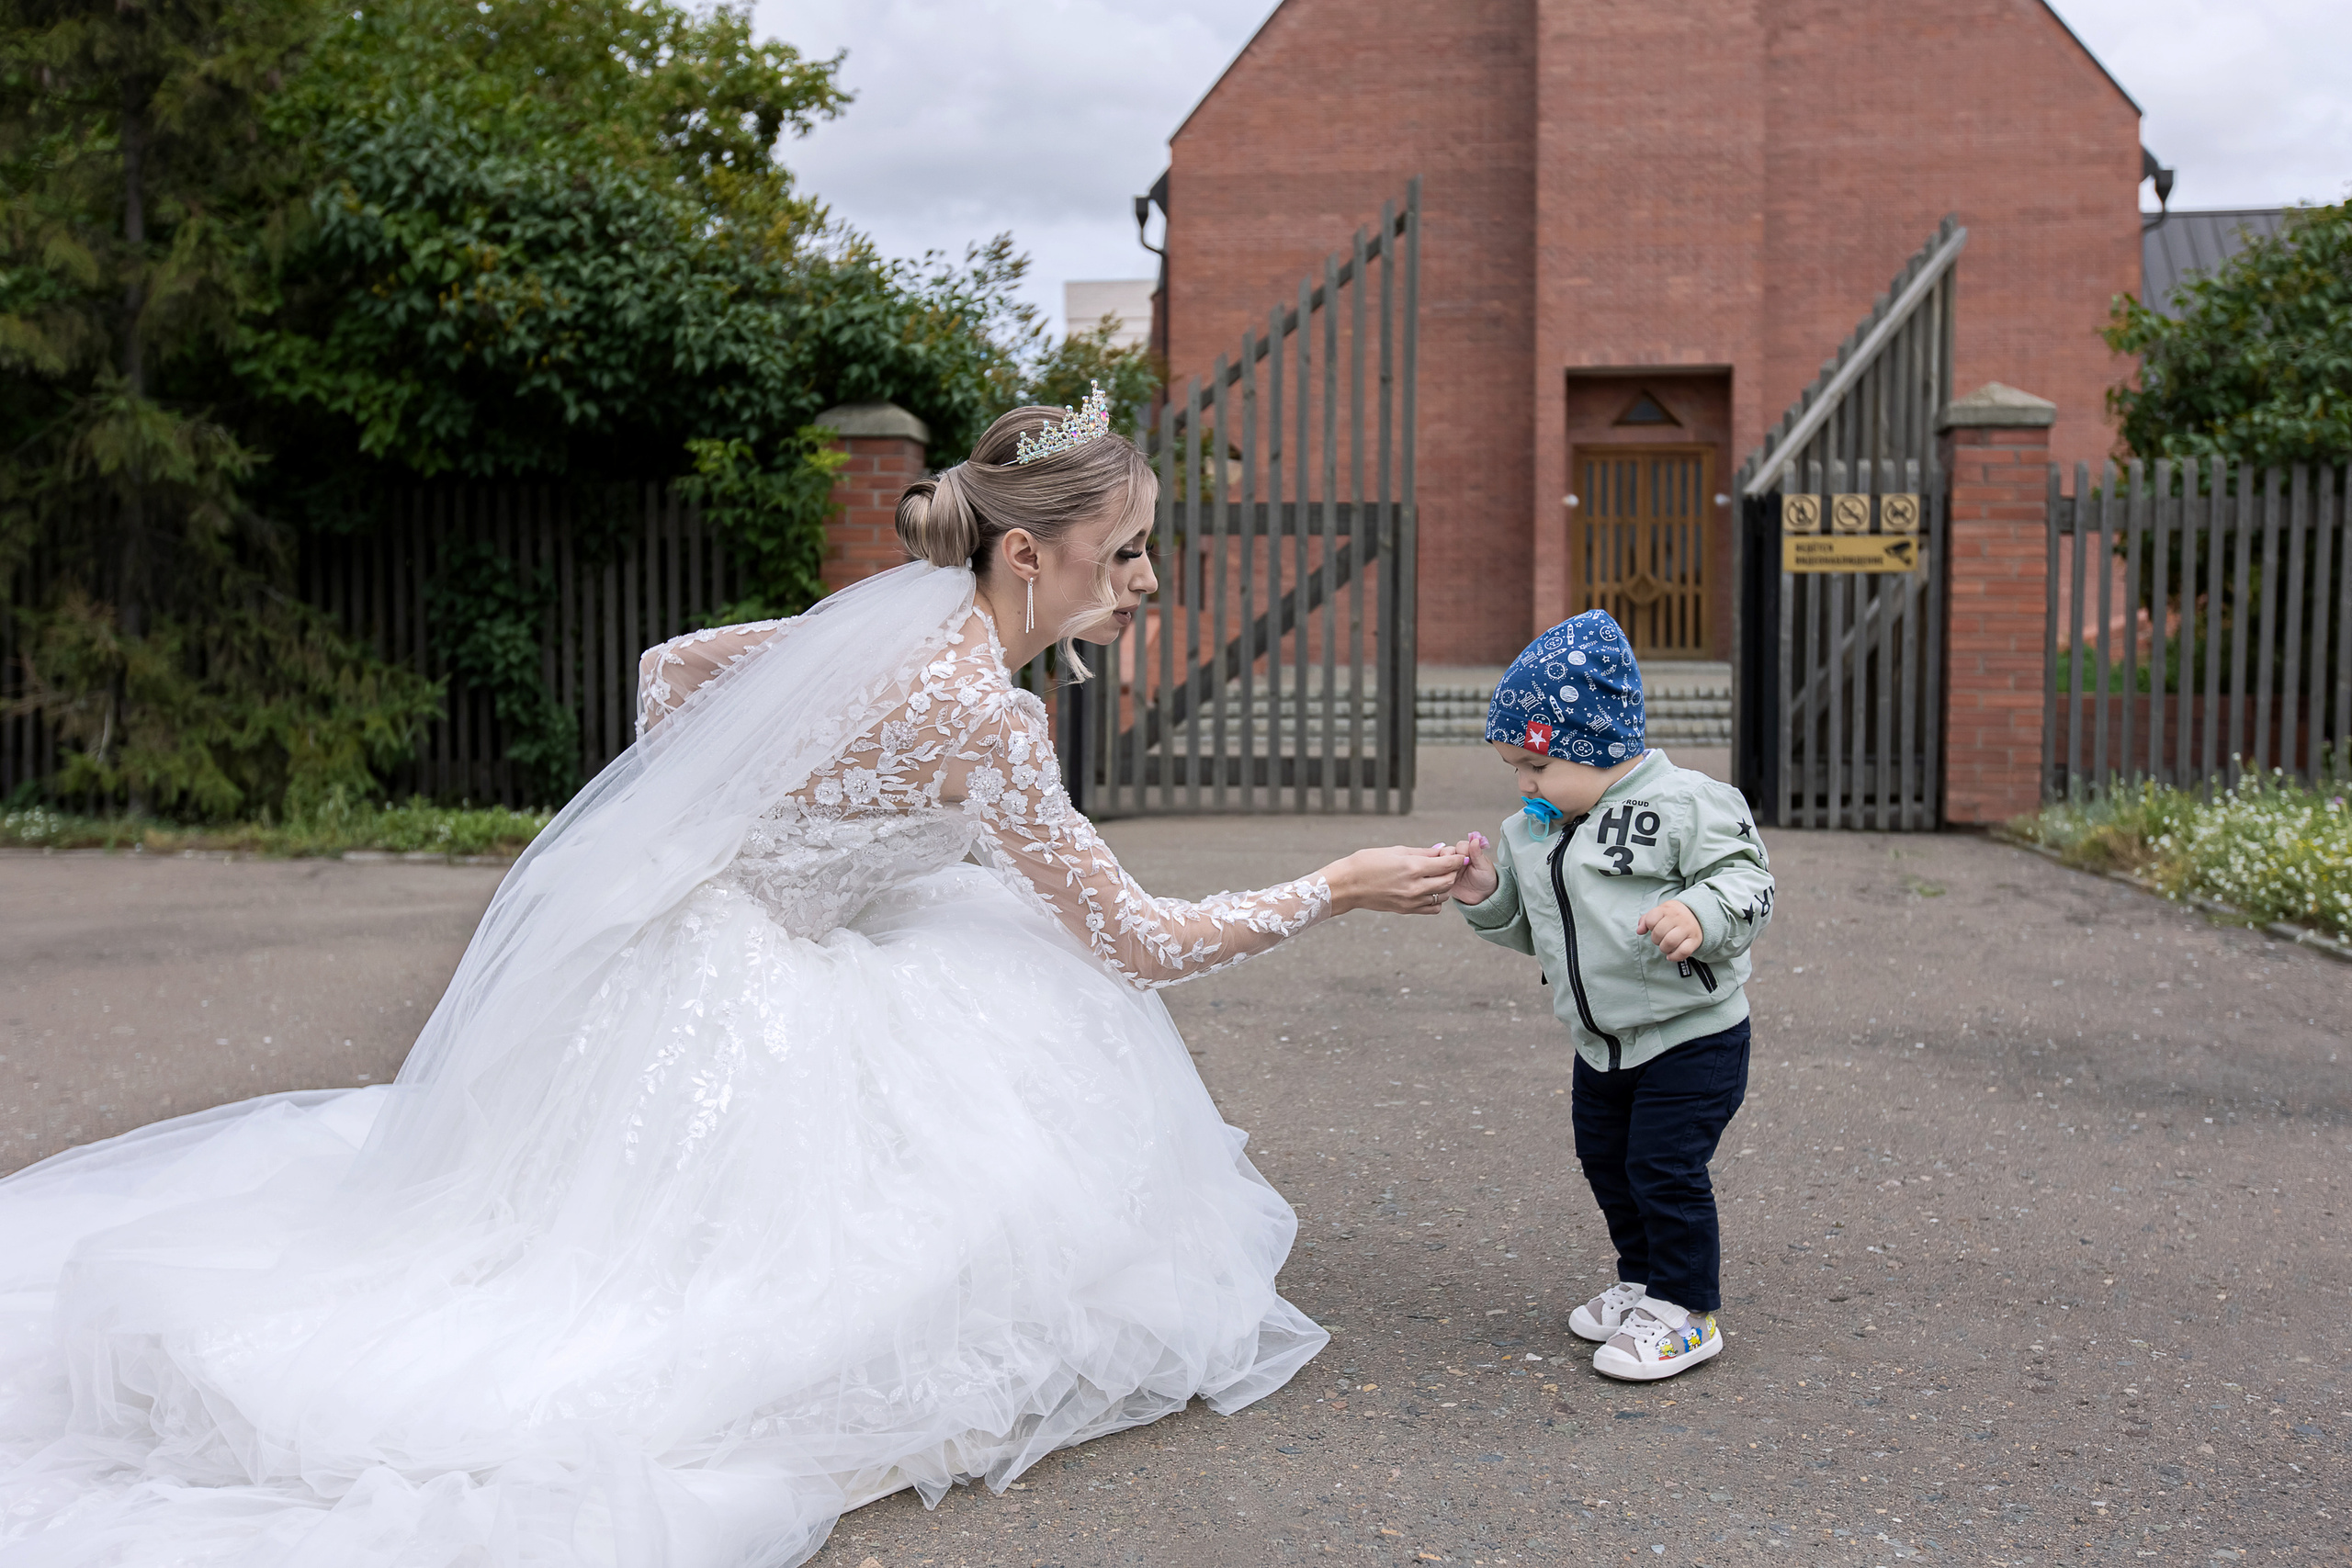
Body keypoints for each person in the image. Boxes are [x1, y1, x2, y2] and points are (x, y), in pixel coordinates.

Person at [0, 386, 1467, 1567]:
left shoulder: (889, 633)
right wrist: (1337, 884)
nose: (1148, 578)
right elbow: (1139, 943)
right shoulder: (989, 715)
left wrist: (744, 839)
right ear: (1031, 552)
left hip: (679, 947)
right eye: (1130, 548)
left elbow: (669, 669)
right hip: (754, 982)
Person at [1443, 609, 1772, 1382]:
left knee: (1664, 1165)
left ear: (1597, 746)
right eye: (1513, 768)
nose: (1524, 784)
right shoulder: (1534, 830)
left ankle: (1688, 1311)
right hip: (1602, 1042)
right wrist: (1485, 890)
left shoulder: (1690, 803)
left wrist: (1700, 912)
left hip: (1692, 1035)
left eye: (1535, 766)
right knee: (1608, 1161)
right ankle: (1643, 1280)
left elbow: (1749, 882)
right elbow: (1535, 928)